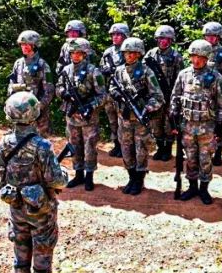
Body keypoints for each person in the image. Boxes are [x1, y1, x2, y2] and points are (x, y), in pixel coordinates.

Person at [0, 91, 69, 273]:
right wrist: (64, 173)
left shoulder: (4, 143)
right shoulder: (42, 146)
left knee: (21, 256)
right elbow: (56, 180)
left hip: (16, 210)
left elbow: (1, 177)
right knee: (42, 258)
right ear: (35, 114)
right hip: (40, 212)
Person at [170, 39, 222, 205]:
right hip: (187, 126)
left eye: (200, 57)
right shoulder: (184, 74)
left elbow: (221, 103)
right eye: (193, 56)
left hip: (207, 127)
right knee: (190, 158)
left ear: (207, 57)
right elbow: (175, 97)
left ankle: (204, 189)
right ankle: (192, 187)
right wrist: (173, 119)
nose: (196, 60)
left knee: (205, 159)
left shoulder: (215, 76)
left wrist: (220, 126)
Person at [110, 37, 164, 195]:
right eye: (126, 53)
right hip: (124, 118)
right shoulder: (119, 71)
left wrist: (147, 108)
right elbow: (112, 87)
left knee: (141, 150)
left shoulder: (147, 71)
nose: (129, 55)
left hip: (140, 119)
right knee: (126, 149)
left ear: (139, 54)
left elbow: (158, 97)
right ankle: (131, 177)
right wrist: (116, 94)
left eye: (133, 53)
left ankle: (139, 180)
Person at [56, 38, 105, 191]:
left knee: (90, 147)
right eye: (73, 53)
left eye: (78, 53)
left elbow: (103, 95)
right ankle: (78, 175)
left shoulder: (93, 71)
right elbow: (58, 86)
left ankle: (89, 176)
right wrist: (63, 93)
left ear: (85, 54)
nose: (75, 56)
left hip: (89, 118)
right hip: (72, 117)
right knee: (74, 146)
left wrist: (91, 106)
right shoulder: (66, 70)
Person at [143, 25, 184, 162]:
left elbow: (180, 77)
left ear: (171, 40)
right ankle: (160, 148)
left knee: (168, 123)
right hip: (154, 95)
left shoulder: (176, 56)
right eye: (160, 38)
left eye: (165, 39)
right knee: (155, 123)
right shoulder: (150, 54)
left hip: (170, 94)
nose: (162, 41)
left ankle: (167, 150)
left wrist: (175, 95)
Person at [7, 30, 54, 135]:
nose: (24, 47)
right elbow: (11, 85)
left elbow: (49, 91)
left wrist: (38, 107)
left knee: (39, 142)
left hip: (38, 114)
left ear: (34, 46)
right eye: (22, 44)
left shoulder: (42, 65)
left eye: (27, 44)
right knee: (19, 141)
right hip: (19, 113)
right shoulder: (18, 63)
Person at [202, 22, 222, 166]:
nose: (210, 38)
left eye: (213, 36)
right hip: (202, 95)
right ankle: (204, 152)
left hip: (219, 94)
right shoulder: (200, 50)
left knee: (220, 123)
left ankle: (219, 152)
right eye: (208, 35)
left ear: (219, 36)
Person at [100, 23, 130, 158]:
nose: (115, 37)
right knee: (112, 120)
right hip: (110, 92)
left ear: (125, 36)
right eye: (113, 35)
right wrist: (104, 71)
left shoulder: (129, 50)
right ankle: (117, 144)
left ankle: (125, 147)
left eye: (118, 34)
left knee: (123, 121)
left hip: (124, 93)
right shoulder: (108, 52)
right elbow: (100, 69)